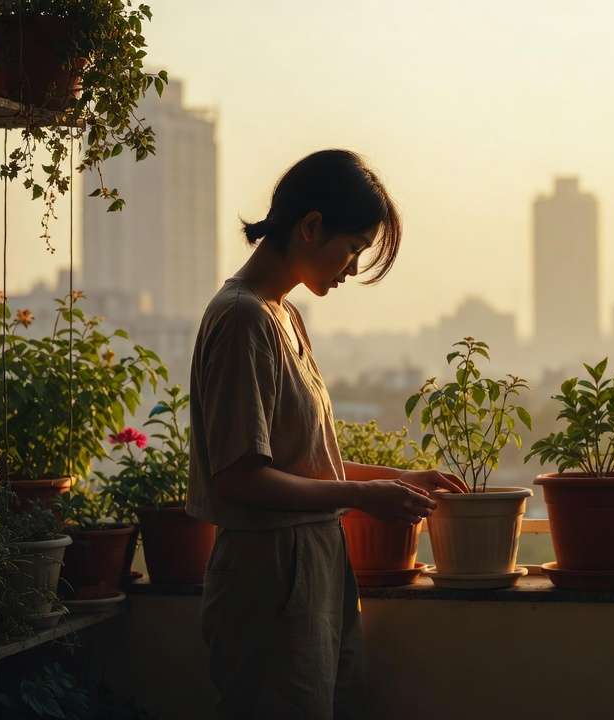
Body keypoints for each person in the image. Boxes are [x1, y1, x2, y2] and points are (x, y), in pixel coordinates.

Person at [187, 149, 465, 719]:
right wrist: (363, 496)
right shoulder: (244, 319)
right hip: (269, 573)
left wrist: (396, 478)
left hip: (307, 563)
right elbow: (241, 476)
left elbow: (301, 463)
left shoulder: (281, 315)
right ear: (311, 227)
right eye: (354, 249)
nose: (352, 269)